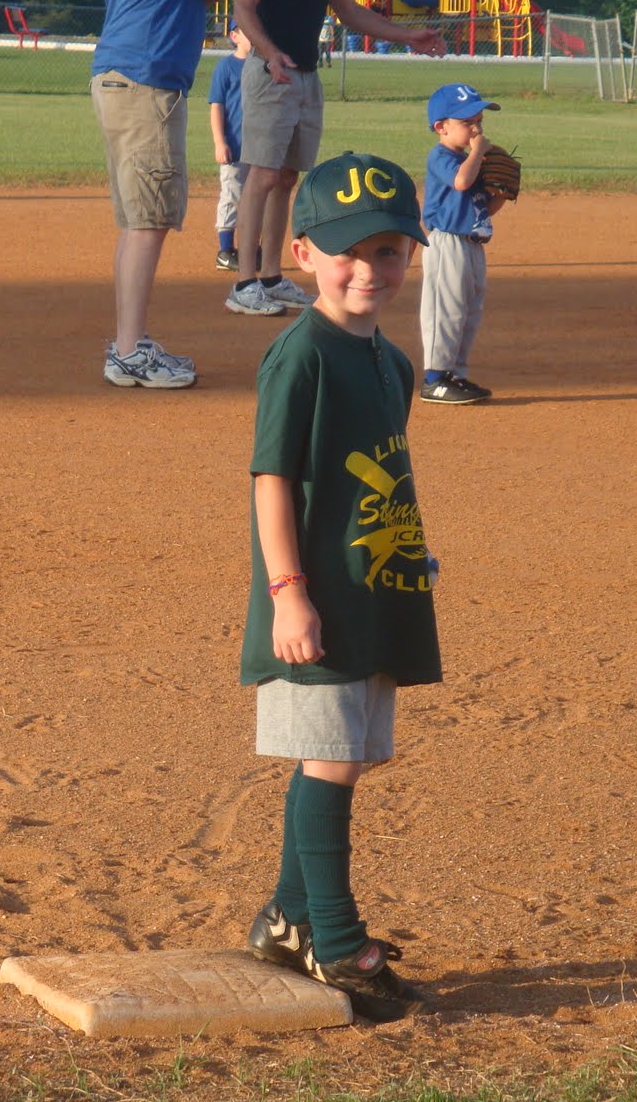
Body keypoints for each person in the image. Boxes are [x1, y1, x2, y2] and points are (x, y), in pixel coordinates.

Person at [239, 151, 442, 1022]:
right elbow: (272, 479)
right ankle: (335, 939)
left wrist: (406, 555)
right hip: (314, 599)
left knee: (350, 754)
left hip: (372, 587)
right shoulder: (302, 357)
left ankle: (286, 920)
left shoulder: (392, 364)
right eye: (347, 251)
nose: (369, 269)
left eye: (388, 250)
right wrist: (289, 591)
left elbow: (377, 474)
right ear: (303, 254)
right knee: (329, 758)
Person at [225, 0, 447, 319]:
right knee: (263, 174)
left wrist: (407, 36)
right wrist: (270, 53)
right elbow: (244, 6)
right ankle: (244, 282)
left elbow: (349, 11)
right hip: (271, 71)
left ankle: (271, 276)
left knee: (287, 176)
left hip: (306, 74)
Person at [91, 0, 243, 388]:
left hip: (123, 75)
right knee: (149, 222)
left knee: (136, 223)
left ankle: (128, 343)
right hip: (147, 79)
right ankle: (129, 353)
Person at [418, 83, 508, 405]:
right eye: (467, 122)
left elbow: (483, 208)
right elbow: (461, 181)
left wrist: (502, 194)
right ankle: (434, 379)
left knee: (469, 312)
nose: (476, 129)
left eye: (479, 121)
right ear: (440, 127)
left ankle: (455, 374)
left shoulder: (472, 162)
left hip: (472, 244)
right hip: (447, 244)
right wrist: (479, 152)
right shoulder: (441, 156)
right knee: (446, 310)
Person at [209, 21, 253, 273]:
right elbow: (217, 105)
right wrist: (220, 141)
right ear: (234, 36)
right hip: (234, 146)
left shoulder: (264, 66)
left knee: (258, 200)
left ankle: (252, 249)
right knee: (232, 195)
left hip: (260, 147)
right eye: (248, 31)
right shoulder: (226, 67)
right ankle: (225, 251)